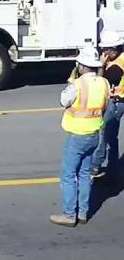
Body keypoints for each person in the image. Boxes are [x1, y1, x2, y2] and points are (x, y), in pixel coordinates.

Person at [51, 46, 110, 227]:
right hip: (94, 134)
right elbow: (105, 106)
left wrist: (72, 81)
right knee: (84, 174)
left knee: (68, 175)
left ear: (82, 66)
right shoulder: (104, 83)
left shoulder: (77, 85)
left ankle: (69, 214)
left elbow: (63, 100)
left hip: (77, 135)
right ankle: (83, 213)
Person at [91, 30, 124, 179]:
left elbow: (100, 81)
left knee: (105, 135)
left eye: (106, 50)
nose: (103, 52)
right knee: (111, 136)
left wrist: (101, 66)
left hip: (116, 102)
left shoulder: (118, 65)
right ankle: (112, 168)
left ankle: (96, 166)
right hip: (116, 102)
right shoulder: (119, 58)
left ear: (114, 49)